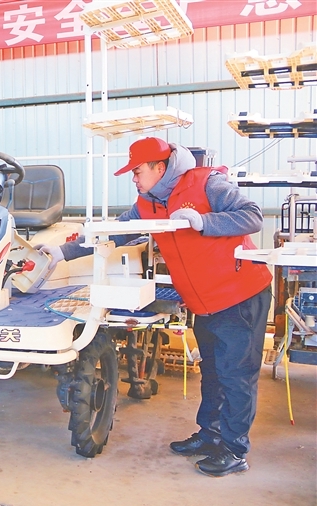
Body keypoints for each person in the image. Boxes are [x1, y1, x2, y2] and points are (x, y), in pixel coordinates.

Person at [37, 137, 272, 477]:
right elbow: (114, 233)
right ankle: (210, 435)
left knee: (236, 377)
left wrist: (204, 222)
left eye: (137, 171)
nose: (133, 179)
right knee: (212, 373)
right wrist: (61, 252)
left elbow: (252, 216)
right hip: (204, 301)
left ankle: (234, 450)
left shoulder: (207, 183)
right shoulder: (146, 203)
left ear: (159, 168)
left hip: (240, 296)